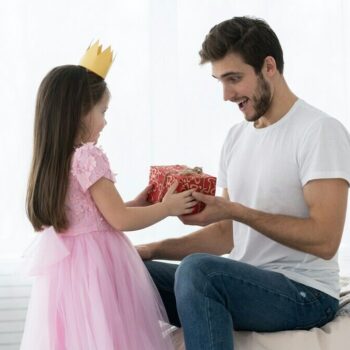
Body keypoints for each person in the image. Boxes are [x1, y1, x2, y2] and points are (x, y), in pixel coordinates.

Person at [137, 16, 350, 349]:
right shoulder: (236, 138)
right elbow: (227, 234)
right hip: (244, 284)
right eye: (220, 81)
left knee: (199, 272)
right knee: (130, 273)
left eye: (234, 78)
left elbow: (325, 239)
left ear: (268, 67)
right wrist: (151, 250)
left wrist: (236, 210)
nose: (226, 94)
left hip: (306, 293)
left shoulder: (319, 131)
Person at [21, 42, 196, 350]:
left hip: (70, 274)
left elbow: (95, 216)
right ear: (79, 114)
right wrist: (168, 208)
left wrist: (140, 202)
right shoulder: (88, 157)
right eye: (102, 111)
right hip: (99, 267)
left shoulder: (51, 162)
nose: (105, 122)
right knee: (115, 337)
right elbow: (119, 219)